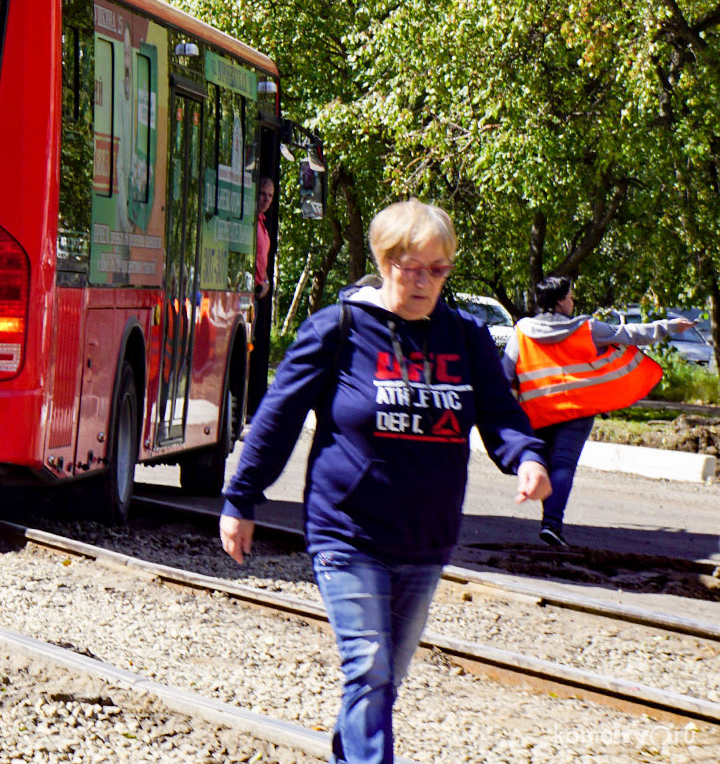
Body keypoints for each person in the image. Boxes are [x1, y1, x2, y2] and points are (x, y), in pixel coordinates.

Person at [219, 199, 551, 764]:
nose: (424, 281)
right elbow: (278, 416)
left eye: (438, 269)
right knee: (369, 667)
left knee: (383, 680)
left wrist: (525, 458)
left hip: (425, 536)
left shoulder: (465, 337)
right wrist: (240, 497)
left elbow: (499, 414)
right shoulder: (340, 328)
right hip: (347, 532)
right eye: (411, 267)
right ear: (384, 259)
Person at [504, 277, 694, 547]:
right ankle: (551, 524)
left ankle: (549, 519)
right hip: (578, 410)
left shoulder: (521, 331)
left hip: (538, 411)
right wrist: (669, 326)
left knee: (544, 463)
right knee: (563, 465)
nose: (573, 300)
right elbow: (628, 334)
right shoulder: (586, 327)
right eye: (570, 296)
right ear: (560, 301)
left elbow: (505, 372)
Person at [253, 176, 277, 298]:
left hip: (254, 296)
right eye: (263, 194)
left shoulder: (262, 226)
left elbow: (263, 261)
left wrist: (266, 283)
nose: (266, 199)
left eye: (270, 195)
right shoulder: (248, 222)